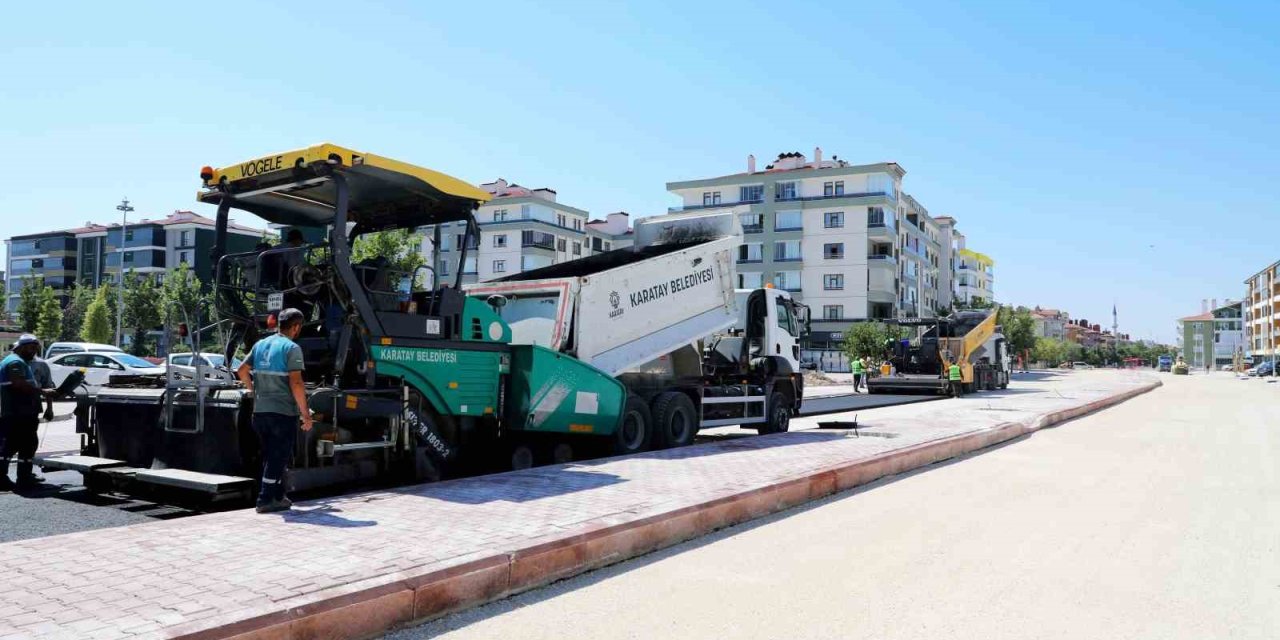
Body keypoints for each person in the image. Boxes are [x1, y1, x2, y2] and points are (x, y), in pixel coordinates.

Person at [236, 308, 313, 513]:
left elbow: (241, 370)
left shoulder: (260, 344)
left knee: (271, 455)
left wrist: (253, 390)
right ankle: (265, 499)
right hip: (282, 413)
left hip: (260, 412)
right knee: (278, 456)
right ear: (295, 327)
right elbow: (296, 383)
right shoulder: (291, 348)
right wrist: (306, 414)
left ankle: (279, 496)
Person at [0, 335, 56, 490]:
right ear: (22, 347)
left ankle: (23, 477)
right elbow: (19, 384)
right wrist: (42, 391)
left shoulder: (17, 361)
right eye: (32, 348)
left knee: (22, 445)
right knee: (19, 445)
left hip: (21, 412)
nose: (34, 352)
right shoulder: (15, 362)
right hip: (18, 413)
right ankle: (17, 479)